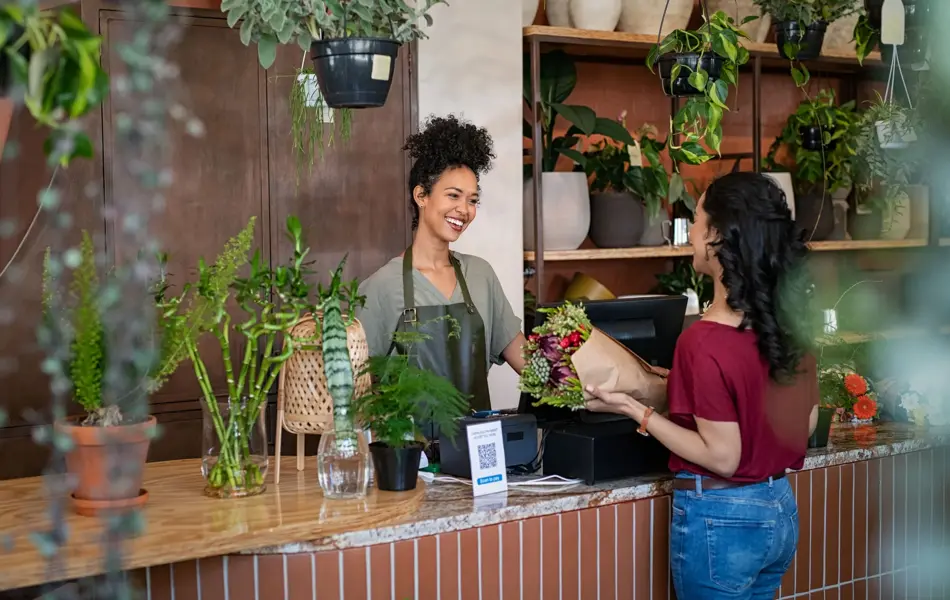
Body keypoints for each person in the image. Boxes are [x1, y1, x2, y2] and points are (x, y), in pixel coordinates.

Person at [585, 172, 820, 599]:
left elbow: (722, 457)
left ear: (716, 235)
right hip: (779, 509)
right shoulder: (790, 328)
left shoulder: (703, 340)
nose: (690, 231)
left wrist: (635, 410)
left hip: (722, 521)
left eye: (695, 219)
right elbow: (803, 426)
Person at [356, 114, 526, 437]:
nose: (465, 209)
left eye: (472, 200)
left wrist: (585, 387)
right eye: (453, 195)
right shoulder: (382, 287)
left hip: (478, 452)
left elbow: (528, 363)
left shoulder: (480, 276)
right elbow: (357, 393)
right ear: (421, 195)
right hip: (410, 459)